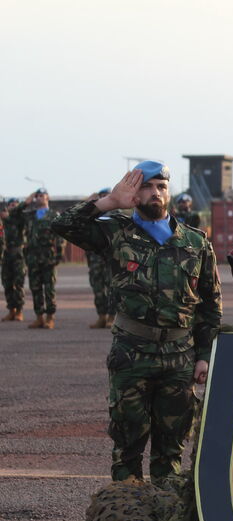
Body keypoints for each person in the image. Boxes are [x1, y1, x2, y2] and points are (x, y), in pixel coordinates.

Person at [52, 161, 221, 482]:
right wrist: (109, 202)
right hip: (132, 353)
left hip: (179, 356)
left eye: (161, 187)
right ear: (134, 193)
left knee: (171, 449)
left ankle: (163, 508)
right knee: (127, 444)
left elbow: (210, 305)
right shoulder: (117, 232)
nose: (155, 192)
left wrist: (204, 355)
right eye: (147, 186)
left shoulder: (195, 242)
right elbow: (62, 225)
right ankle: (125, 510)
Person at [22, 188, 64, 329]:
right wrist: (28, 200)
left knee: (49, 288)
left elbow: (60, 237)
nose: (39, 197)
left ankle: (50, 317)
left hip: (48, 258)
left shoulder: (53, 215)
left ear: (48, 197)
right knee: (35, 287)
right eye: (38, 195)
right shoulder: (31, 216)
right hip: (33, 258)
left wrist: (58, 256)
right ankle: (39, 317)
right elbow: (15, 215)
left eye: (42, 195)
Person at [85, 187, 116, 329]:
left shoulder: (117, 214)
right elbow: (76, 221)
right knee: (97, 287)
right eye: (102, 196)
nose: (104, 198)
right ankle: (101, 316)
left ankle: (112, 317)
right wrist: (88, 204)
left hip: (111, 257)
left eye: (107, 195)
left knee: (112, 287)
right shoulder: (92, 215)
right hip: (95, 258)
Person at [1, 197, 27, 322]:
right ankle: (11, 310)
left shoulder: (20, 219)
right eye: (11, 204)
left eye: (15, 204)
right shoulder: (3, 220)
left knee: (18, 283)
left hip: (18, 255)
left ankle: (19, 310)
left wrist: (8, 217)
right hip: (6, 255)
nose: (13, 206)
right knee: (7, 283)